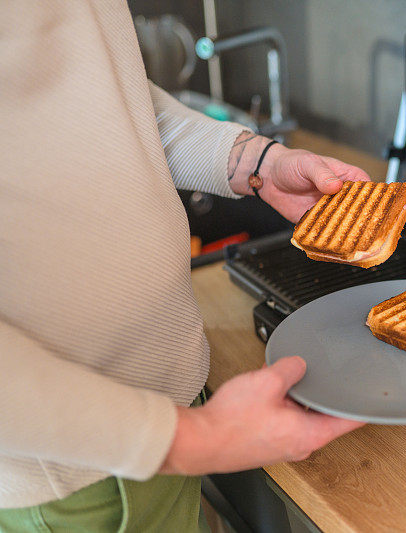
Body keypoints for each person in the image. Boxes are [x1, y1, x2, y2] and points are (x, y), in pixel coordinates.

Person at [0, 1, 365, 530]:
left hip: (168, 403)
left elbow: (106, 100)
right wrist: (198, 440)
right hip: (79, 462)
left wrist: (258, 163)